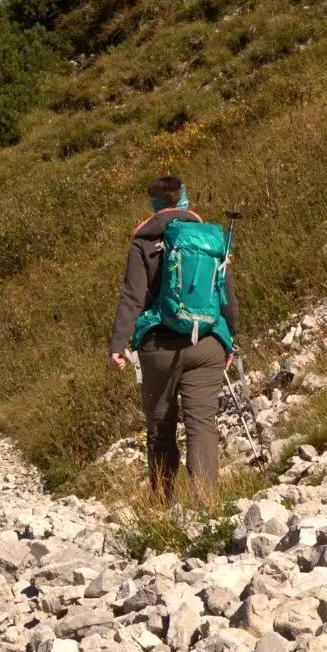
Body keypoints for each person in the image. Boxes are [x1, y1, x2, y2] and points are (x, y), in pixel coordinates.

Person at [108, 175, 237, 501]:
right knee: (202, 426)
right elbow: (227, 296)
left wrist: (118, 344)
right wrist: (229, 340)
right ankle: (207, 507)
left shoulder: (143, 242)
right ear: (185, 201)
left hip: (159, 347)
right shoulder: (209, 238)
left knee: (161, 430)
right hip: (206, 344)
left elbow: (132, 297)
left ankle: (164, 508)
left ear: (153, 206)